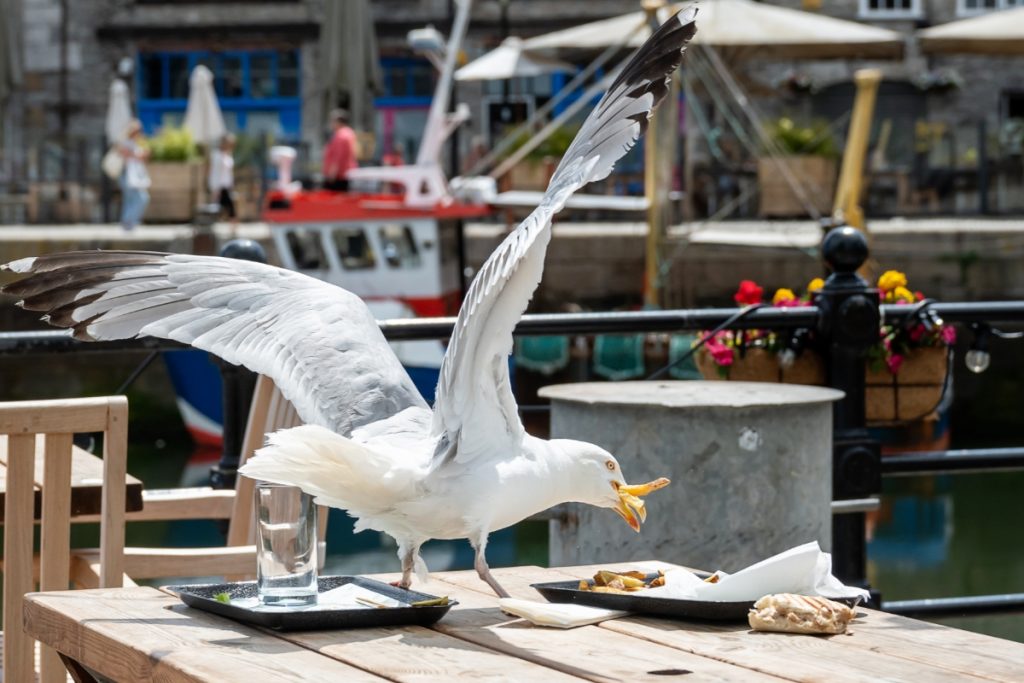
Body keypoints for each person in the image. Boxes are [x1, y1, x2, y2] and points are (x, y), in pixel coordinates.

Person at [119, 119, 151, 231]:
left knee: (132, 199)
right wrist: (139, 155)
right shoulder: (126, 142)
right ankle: (128, 222)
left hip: (135, 176)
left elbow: (144, 158)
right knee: (140, 198)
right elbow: (125, 154)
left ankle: (128, 223)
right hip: (127, 175)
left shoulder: (138, 143)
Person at [322, 108, 359, 191]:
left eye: (332, 121)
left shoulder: (341, 135)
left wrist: (332, 173)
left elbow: (338, 157)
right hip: (345, 173)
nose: (331, 124)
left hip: (338, 175)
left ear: (338, 122)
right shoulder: (349, 133)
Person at [209, 133, 238, 231]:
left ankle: (232, 227)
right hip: (220, 187)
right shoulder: (217, 156)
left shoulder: (228, 155)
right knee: (224, 206)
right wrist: (215, 188)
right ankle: (230, 226)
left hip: (226, 185)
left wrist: (231, 184)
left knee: (228, 206)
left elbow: (229, 173)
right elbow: (215, 173)